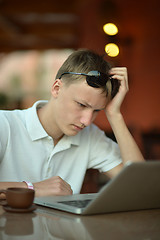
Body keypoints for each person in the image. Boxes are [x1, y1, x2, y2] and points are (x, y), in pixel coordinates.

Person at [0, 49, 144, 198]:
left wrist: (115, 115)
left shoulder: (90, 137)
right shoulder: (5, 125)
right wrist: (32, 188)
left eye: (96, 111)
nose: (87, 121)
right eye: (81, 105)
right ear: (56, 88)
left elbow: (140, 186)